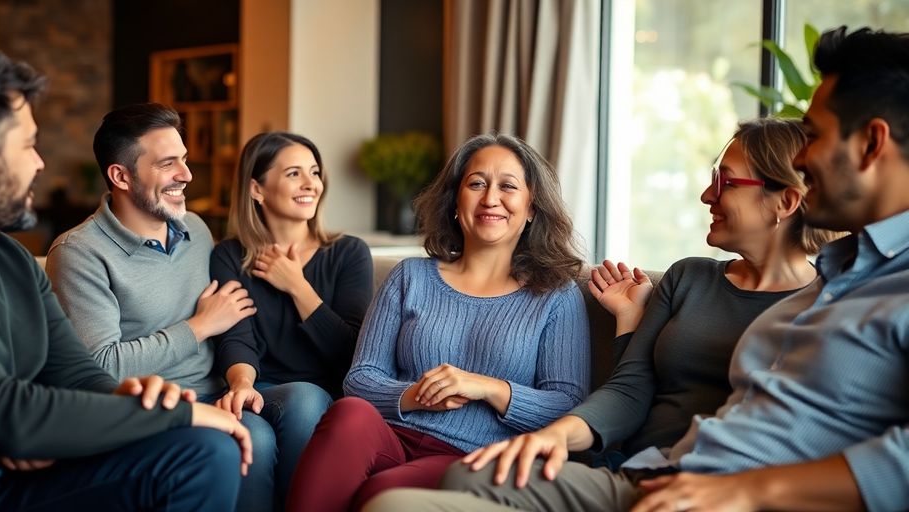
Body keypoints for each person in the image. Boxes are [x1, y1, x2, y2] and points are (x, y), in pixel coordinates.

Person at [365, 26, 909, 512]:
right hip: (659, 470)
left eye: (813, 136)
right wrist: (563, 430)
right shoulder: (822, 279)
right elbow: (637, 391)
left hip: (716, 489)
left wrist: (749, 490)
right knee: (455, 480)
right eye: (476, 183)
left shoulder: (853, 288)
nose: (805, 160)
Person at [0, 50, 251, 511]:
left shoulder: (10, 258)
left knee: (203, 452)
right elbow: (2, 414)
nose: (39, 164)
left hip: (30, 479)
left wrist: (135, 397)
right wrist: (181, 413)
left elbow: (76, 373)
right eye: (27, 145)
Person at [287, 133, 592, 511]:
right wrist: (415, 397)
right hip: (391, 435)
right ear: (455, 201)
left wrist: (487, 388)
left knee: (380, 493)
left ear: (531, 207)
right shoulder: (410, 276)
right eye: (476, 183)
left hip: (473, 458)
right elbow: (360, 379)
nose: (490, 198)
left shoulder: (556, 295)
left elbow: (569, 405)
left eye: (508, 186)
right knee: (349, 413)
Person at [535, 117, 838, 473]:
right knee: (474, 475)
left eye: (725, 182)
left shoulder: (828, 305)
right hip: (630, 469)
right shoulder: (689, 277)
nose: (707, 195)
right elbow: (629, 392)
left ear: (784, 202)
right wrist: (555, 435)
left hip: (715, 486)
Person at [46, 103, 254, 406]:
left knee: (304, 400)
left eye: (183, 159)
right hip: (152, 405)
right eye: (168, 164)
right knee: (256, 437)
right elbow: (100, 367)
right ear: (121, 176)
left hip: (218, 389)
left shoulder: (195, 229)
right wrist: (201, 326)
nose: (187, 175)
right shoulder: (78, 253)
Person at [211, 131, 374, 511]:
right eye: (293, 174)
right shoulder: (229, 256)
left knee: (303, 398)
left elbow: (351, 352)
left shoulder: (348, 254)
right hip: (256, 387)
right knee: (253, 437)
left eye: (315, 172)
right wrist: (241, 385)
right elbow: (235, 337)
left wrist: (297, 287)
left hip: (323, 393)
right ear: (257, 189)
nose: (311, 184)